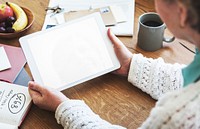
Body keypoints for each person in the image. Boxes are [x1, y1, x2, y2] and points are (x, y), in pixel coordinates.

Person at [28, 0, 200, 128]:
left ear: (182, 13)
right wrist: (132, 65)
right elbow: (189, 81)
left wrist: (63, 107)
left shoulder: (181, 116)